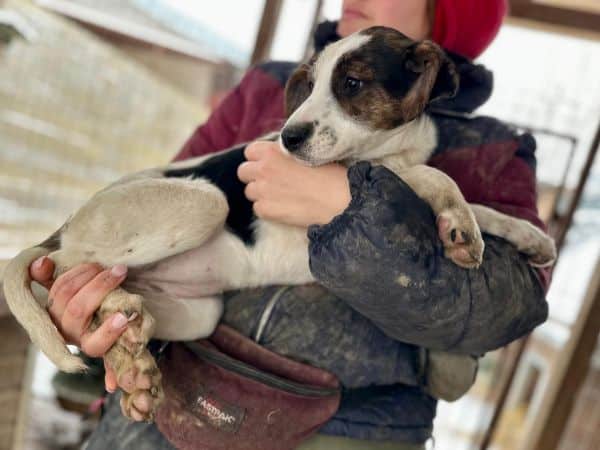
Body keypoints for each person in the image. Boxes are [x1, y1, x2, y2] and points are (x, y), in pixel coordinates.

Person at [29, 0, 551, 449]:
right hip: (171, 403)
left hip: (349, 431)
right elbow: (153, 219)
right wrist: (88, 317)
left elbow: (500, 311)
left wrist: (348, 208)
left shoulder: (494, 150)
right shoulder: (269, 85)